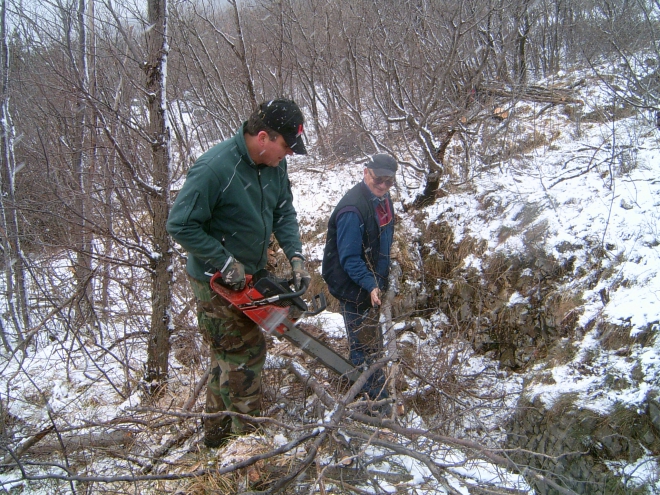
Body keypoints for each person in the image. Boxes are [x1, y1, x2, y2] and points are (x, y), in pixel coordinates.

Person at [167, 99, 311, 448]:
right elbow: (180, 224)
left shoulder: (274, 165)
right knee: (245, 356)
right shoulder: (215, 168)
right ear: (263, 137)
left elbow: (283, 211)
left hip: (251, 273)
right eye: (286, 147)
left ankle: (216, 439)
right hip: (215, 282)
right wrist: (224, 261)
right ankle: (246, 446)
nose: (288, 155)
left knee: (227, 355)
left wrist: (295, 256)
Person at [322, 154, 397, 415]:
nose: (383, 186)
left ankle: (375, 386)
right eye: (379, 179)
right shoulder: (352, 210)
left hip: (372, 281)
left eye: (389, 181)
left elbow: (383, 239)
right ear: (366, 173)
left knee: (371, 339)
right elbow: (350, 258)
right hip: (353, 285)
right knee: (363, 345)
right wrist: (370, 283)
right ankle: (373, 402)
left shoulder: (383, 199)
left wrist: (385, 273)